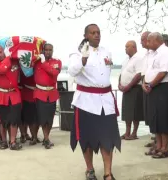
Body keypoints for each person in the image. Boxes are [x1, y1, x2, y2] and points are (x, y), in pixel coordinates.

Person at [69, 24, 120, 180]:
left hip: (106, 101)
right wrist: (83, 59)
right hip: (86, 102)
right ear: (86, 35)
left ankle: (107, 173)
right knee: (87, 138)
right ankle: (90, 169)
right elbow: (72, 71)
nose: (97, 35)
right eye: (93, 33)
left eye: (98, 32)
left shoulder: (106, 51)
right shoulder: (77, 53)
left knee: (108, 138)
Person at [142, 32, 168, 158]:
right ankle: (158, 146)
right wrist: (145, 83)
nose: (147, 43)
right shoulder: (154, 53)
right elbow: (149, 71)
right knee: (155, 118)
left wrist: (151, 85)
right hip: (154, 87)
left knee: (163, 118)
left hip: (163, 88)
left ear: (156, 40)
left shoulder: (165, 52)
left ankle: (164, 149)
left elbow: (163, 73)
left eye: (149, 41)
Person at [0, 45, 22, 150]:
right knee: (2, 121)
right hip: (0, 95)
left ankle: (12, 141)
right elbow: (3, 69)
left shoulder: (14, 60)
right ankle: (4, 141)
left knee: (14, 119)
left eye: (1, 52)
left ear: (4, 51)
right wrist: (8, 57)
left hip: (14, 94)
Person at [34, 43, 62, 149]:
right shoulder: (37, 62)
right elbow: (28, 65)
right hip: (40, 93)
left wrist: (43, 62)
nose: (48, 52)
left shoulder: (57, 62)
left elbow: (54, 72)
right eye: (46, 50)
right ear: (43, 51)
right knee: (43, 118)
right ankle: (46, 139)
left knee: (50, 118)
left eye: (50, 50)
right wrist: (37, 57)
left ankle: (46, 137)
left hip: (52, 93)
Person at [119, 40, 143, 140]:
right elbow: (121, 73)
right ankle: (127, 132)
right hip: (125, 89)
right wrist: (119, 84)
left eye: (127, 47)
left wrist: (129, 85)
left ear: (134, 47)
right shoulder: (126, 60)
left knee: (135, 111)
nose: (125, 49)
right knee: (127, 112)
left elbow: (139, 74)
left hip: (135, 88)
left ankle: (134, 133)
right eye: (125, 47)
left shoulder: (138, 58)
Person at [19, 71, 40, 145]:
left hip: (35, 94)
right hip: (23, 94)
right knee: (23, 117)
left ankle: (34, 136)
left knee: (34, 117)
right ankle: (23, 135)